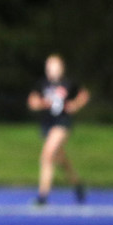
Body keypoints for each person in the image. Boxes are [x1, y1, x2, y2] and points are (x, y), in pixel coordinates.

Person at [27, 53, 90, 205]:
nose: (51, 69)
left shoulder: (69, 83)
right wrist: (40, 103)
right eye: (49, 66)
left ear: (61, 68)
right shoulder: (42, 84)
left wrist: (75, 104)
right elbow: (32, 101)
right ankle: (77, 185)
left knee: (47, 156)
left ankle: (42, 196)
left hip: (62, 124)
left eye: (54, 66)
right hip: (47, 124)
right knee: (61, 160)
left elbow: (84, 94)